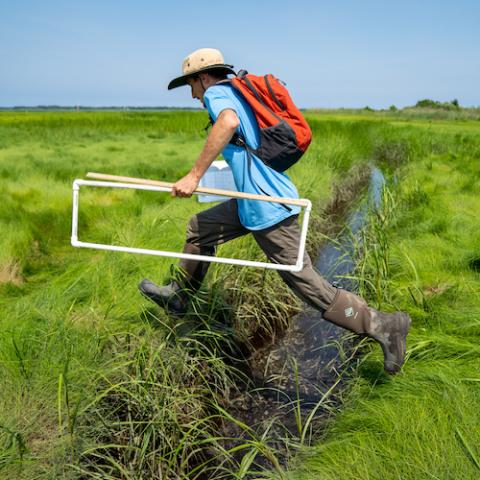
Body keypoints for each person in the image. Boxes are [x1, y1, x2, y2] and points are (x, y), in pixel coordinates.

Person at [139, 48, 411, 374]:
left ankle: (382, 325)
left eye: (191, 85)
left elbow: (227, 122)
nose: (193, 94)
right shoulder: (236, 92)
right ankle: (180, 296)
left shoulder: (218, 94)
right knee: (200, 228)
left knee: (306, 284)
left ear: (203, 77)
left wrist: (194, 175)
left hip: (266, 206)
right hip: (250, 202)